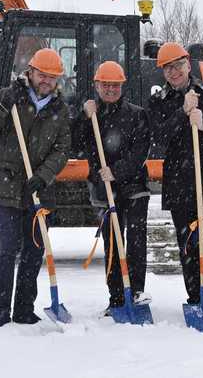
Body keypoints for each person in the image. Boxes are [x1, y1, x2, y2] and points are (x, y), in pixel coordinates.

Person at [0, 48, 71, 327]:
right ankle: (1, 313)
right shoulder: (9, 97)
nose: (46, 81)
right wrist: (1, 109)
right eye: (42, 74)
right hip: (7, 186)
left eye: (52, 77)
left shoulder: (60, 109)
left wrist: (43, 176)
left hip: (40, 190)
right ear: (30, 71)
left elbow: (62, 149)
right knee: (4, 251)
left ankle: (24, 310)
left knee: (33, 253)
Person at [147, 42, 203, 306]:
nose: (173, 72)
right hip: (178, 178)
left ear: (188, 64)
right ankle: (196, 293)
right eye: (167, 68)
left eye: (177, 66)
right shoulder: (159, 100)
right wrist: (181, 113)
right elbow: (158, 137)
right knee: (187, 236)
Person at [72, 61, 152, 316]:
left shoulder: (137, 114)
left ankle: (136, 291)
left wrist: (117, 171)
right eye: (105, 85)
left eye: (115, 85)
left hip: (134, 187)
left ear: (122, 86)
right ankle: (116, 296)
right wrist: (84, 116)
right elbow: (74, 144)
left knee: (136, 240)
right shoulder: (92, 115)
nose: (110, 90)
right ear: (96, 85)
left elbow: (140, 152)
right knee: (113, 244)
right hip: (105, 190)